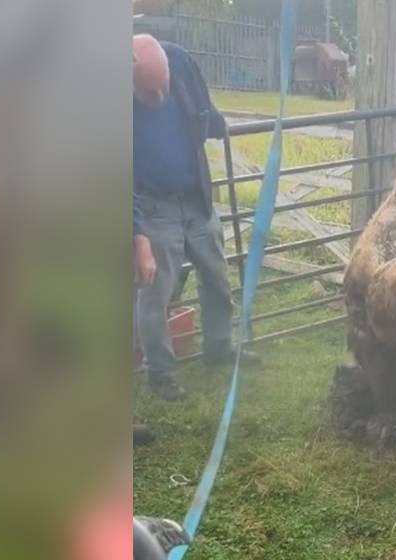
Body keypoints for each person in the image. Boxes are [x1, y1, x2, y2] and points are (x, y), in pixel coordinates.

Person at [132, 34, 259, 401]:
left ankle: (220, 346)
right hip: (152, 205)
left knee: (216, 275)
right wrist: (138, 234)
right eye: (148, 95)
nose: (159, 99)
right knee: (154, 293)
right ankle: (160, 372)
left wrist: (216, 122)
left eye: (163, 90)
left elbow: (201, 104)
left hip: (196, 196)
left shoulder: (182, 62)